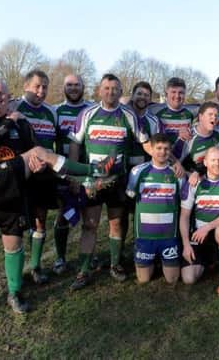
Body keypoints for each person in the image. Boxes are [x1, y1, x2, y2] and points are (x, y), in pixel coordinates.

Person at [0, 92, 114, 316]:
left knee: (14, 240)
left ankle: (14, 292)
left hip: (4, 190)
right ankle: (91, 172)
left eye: (3, 95)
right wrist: (1, 120)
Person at [69, 73, 150, 289]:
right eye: (106, 88)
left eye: (115, 89)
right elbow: (75, 144)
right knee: (90, 225)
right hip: (92, 180)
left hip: (118, 181)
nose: (111, 92)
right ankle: (84, 270)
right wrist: (74, 174)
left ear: (121, 92)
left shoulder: (129, 115)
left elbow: (145, 142)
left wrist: (168, 160)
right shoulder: (87, 113)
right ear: (99, 90)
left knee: (116, 223)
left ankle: (115, 264)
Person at [12, 69, 59, 284]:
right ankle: (16, 270)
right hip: (18, 176)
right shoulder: (14, 107)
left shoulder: (52, 112)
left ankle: (36, 266)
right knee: (17, 225)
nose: (41, 91)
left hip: (44, 175)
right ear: (26, 86)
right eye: (37, 86)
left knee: (40, 221)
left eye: (45, 87)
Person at [126, 133, 184, 284]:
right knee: (143, 280)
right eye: (158, 148)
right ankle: (152, 259)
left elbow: (183, 201)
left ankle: (161, 259)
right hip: (145, 236)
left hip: (169, 236)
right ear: (150, 149)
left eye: (166, 149)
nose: (162, 152)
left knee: (172, 279)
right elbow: (130, 195)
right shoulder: (137, 171)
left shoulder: (177, 173)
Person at [180, 147, 219, 296]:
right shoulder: (194, 182)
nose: (217, 163)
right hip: (197, 234)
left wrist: (208, 228)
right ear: (205, 162)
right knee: (189, 278)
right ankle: (210, 258)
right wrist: (186, 245)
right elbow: (184, 216)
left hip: (217, 231)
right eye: (213, 160)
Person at [52, 73, 94, 275]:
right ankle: (60, 257)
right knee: (63, 214)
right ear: (64, 87)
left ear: (83, 86)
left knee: (89, 216)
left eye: (77, 84)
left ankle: (88, 255)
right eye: (69, 85)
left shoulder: (91, 110)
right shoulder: (56, 111)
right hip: (62, 171)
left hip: (87, 169)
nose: (74, 88)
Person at [173, 102, 219, 174]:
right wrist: (191, 174)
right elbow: (174, 163)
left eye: (216, 115)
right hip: (191, 180)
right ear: (200, 116)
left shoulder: (217, 131)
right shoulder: (187, 136)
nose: (214, 117)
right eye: (210, 114)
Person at [152, 77, 197, 145]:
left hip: (185, 153)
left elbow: (210, 108)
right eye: (173, 92)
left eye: (181, 93)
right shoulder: (154, 109)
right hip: (162, 153)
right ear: (166, 93)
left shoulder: (192, 110)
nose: (177, 96)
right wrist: (177, 132)